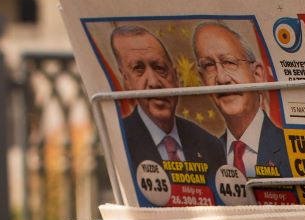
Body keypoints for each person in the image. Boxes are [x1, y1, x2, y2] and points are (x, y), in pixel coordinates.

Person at [110, 24, 224, 170]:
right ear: (127, 81)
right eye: (139, 69)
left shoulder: (211, 146)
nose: (154, 82)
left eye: (159, 68)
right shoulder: (117, 140)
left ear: (176, 77)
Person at [191, 22, 290, 180]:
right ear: (203, 80)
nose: (222, 79)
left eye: (229, 62)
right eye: (209, 66)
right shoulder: (201, 158)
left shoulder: (291, 149)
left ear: (257, 75)